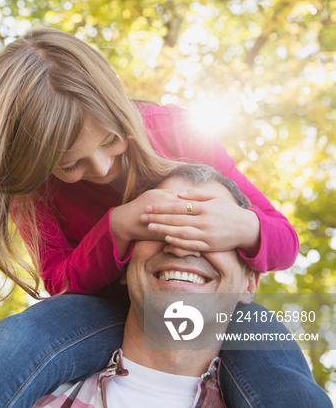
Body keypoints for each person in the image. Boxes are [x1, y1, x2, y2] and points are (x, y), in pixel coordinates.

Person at [0, 27, 306, 407]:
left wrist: (244, 226)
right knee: (21, 336)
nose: (101, 167)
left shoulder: (173, 130)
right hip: (101, 312)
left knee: (273, 356)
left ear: (118, 111)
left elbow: (285, 241)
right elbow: (59, 280)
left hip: (203, 299)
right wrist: (116, 228)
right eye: (71, 164)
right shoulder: (35, 192)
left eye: (108, 142)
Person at [33, 165, 330, 407]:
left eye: (211, 231)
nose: (182, 246)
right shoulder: (34, 397)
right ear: (122, 266)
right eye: (160, 223)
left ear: (249, 283)